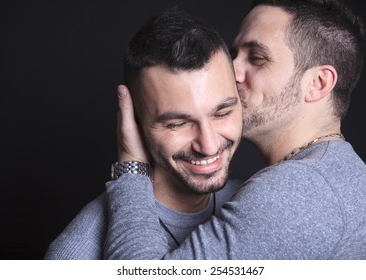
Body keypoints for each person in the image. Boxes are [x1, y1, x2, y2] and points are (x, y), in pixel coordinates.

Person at [103, 0, 366, 259]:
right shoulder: (332, 173)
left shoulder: (301, 190)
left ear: (318, 83)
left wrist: (132, 166)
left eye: (257, 58)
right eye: (235, 53)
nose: (231, 70)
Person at [44, 8, 243, 259]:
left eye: (222, 113)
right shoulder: (75, 255)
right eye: (177, 123)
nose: (209, 144)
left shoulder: (253, 200)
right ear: (134, 122)